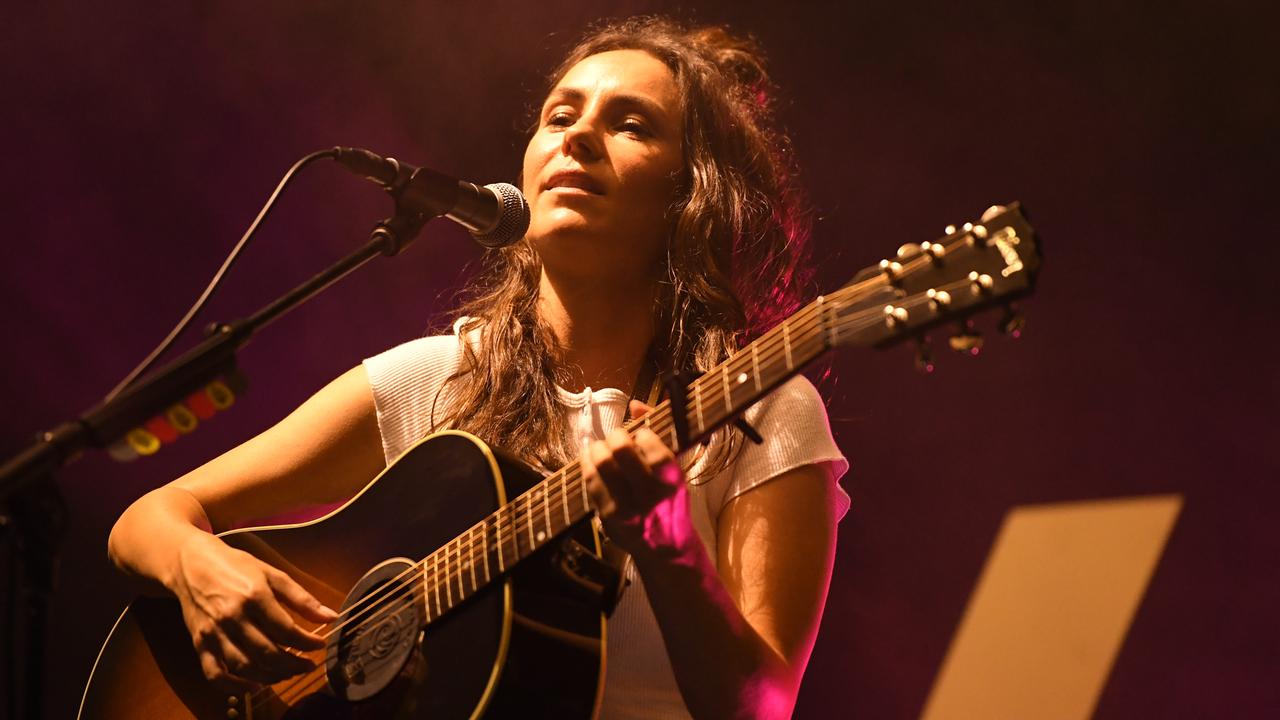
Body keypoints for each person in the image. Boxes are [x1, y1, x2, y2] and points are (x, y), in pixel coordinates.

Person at [108, 16, 849, 720]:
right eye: (560, 116)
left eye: (630, 125)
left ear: (693, 194)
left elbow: (761, 707)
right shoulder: (432, 379)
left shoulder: (758, 413)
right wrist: (200, 572)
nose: (580, 135)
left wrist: (670, 548)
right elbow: (148, 519)